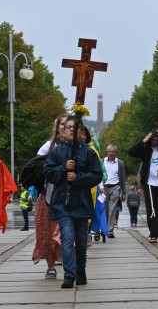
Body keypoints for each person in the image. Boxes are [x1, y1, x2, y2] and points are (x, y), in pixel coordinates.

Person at [44, 118, 103, 289]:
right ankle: (69, 274)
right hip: (63, 203)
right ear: (63, 131)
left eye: (74, 128)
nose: (71, 130)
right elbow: (48, 173)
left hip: (82, 203)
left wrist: (78, 178)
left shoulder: (89, 152)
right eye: (68, 127)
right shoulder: (57, 152)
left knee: (81, 240)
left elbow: (96, 175)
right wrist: (63, 168)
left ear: (81, 132)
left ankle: (80, 270)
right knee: (67, 238)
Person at [33, 114, 69, 279]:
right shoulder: (48, 147)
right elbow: (36, 169)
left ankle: (67, 262)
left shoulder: (77, 147)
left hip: (69, 198)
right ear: (57, 128)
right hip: (48, 196)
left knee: (64, 233)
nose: (65, 127)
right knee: (46, 233)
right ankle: (51, 266)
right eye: (62, 124)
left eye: (68, 125)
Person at [127, 128, 158, 243]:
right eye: (153, 140)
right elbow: (131, 152)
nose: (155, 142)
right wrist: (143, 141)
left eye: (157, 140)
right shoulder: (146, 150)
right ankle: (154, 234)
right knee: (152, 209)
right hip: (149, 182)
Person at [102, 145, 126, 238]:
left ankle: (110, 229)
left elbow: (122, 178)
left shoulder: (120, 163)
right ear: (107, 152)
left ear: (116, 152)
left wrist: (123, 193)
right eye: (110, 151)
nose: (111, 153)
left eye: (113, 152)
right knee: (105, 209)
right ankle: (104, 228)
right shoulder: (103, 161)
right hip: (104, 188)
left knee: (112, 209)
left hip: (115, 187)